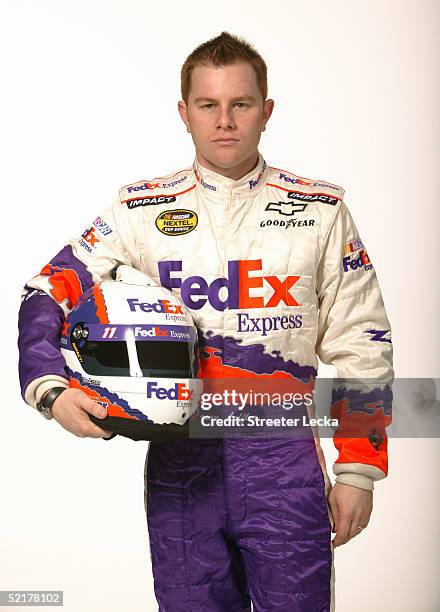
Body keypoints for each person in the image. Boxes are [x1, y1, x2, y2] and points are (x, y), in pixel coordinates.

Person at [18, 31, 393, 612]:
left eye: (241, 104)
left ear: (266, 112)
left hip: (283, 462)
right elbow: (47, 291)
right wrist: (49, 389)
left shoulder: (321, 211)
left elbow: (361, 344)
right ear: (184, 113)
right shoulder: (138, 211)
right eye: (208, 105)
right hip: (181, 465)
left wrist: (359, 470)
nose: (225, 121)